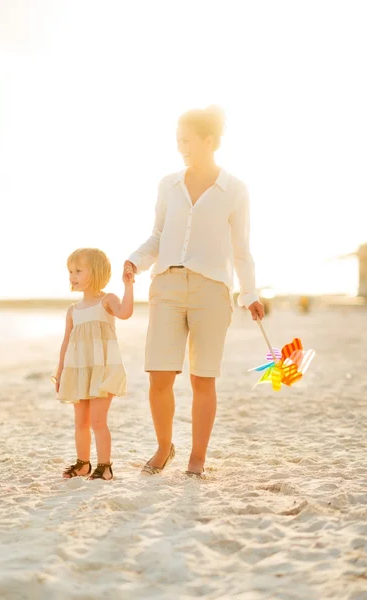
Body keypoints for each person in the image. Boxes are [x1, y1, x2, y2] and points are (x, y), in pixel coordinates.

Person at [123, 105, 264, 479]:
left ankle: (196, 458)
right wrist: (135, 261)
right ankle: (164, 446)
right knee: (159, 377)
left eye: (186, 140)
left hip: (212, 290)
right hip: (167, 284)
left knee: (203, 378)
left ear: (209, 141)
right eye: (177, 140)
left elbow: (241, 247)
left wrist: (249, 294)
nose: (180, 147)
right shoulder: (167, 184)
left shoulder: (234, 189)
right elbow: (157, 235)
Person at [53, 247, 134, 481]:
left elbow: (126, 313)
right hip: (78, 370)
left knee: (98, 421)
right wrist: (59, 373)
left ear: (96, 271)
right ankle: (83, 464)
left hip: (103, 368)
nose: (72, 276)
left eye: (78, 270)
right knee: (81, 422)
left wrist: (128, 285)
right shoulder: (73, 310)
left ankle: (105, 467)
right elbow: (66, 343)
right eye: (70, 271)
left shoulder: (107, 300)